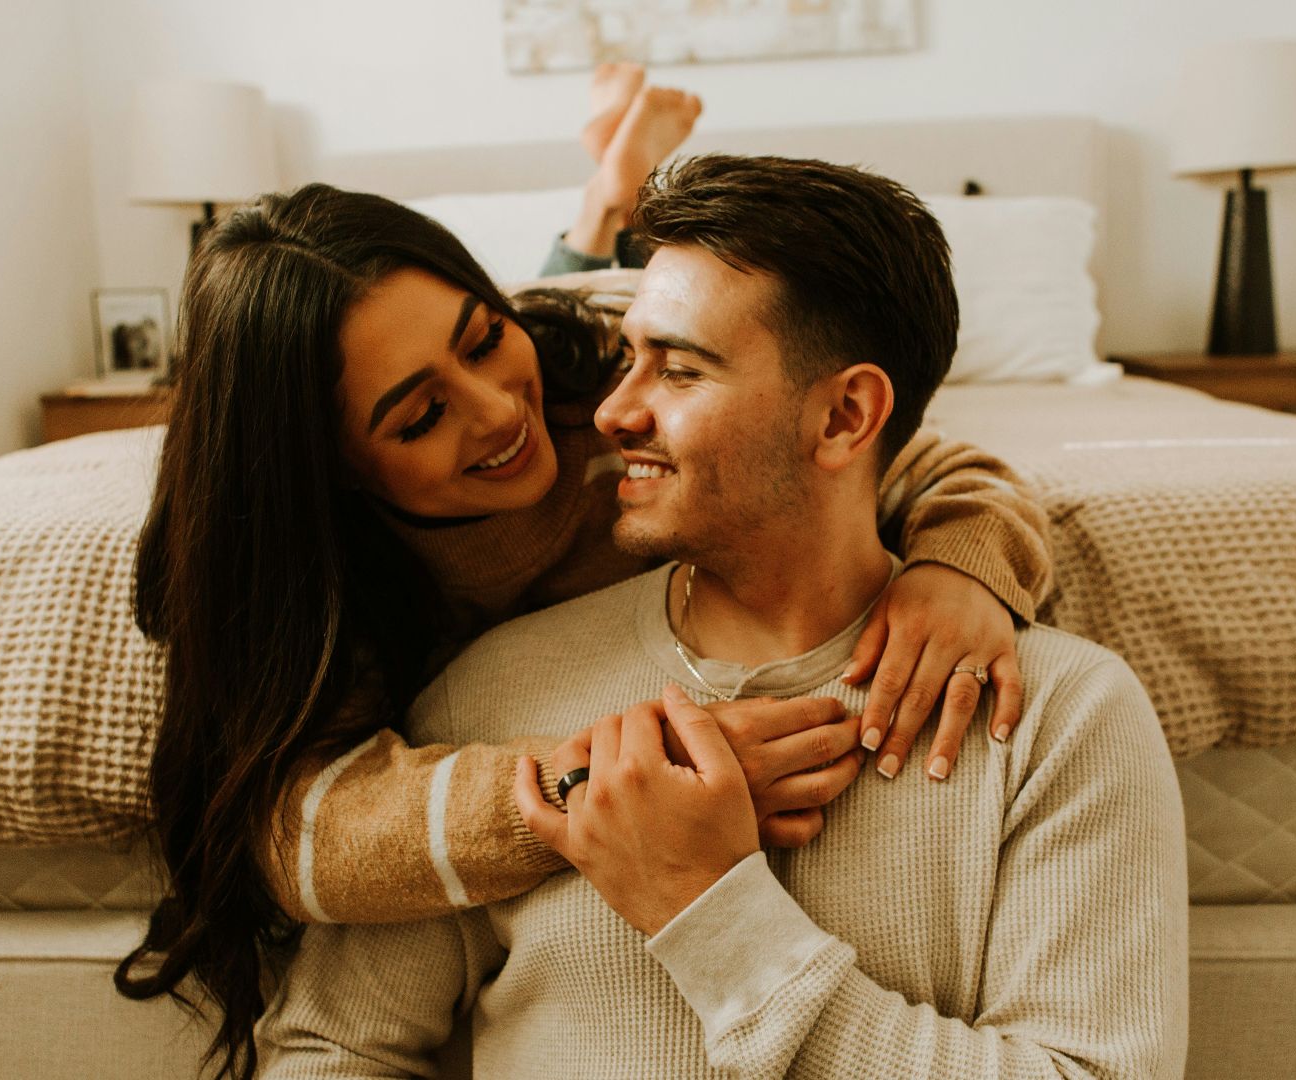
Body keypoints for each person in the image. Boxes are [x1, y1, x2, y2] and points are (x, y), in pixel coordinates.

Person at [115, 70, 1057, 1080]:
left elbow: (906, 460)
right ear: (331, 470)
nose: (497, 413)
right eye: (420, 416)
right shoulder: (331, 580)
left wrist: (960, 568)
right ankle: (610, 186)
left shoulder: (597, 381)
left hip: (574, 320)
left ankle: (608, 204)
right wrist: (599, 789)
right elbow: (304, 834)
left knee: (574, 302)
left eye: (482, 338)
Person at [254, 155, 1188, 1078]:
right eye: (629, 358)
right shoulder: (480, 698)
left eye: (677, 371)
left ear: (844, 418)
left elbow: (943, 470)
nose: (610, 414)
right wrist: (569, 795)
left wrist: (706, 907)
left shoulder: (1062, 713)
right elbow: (329, 1048)